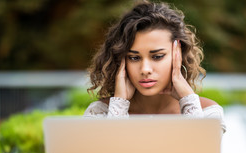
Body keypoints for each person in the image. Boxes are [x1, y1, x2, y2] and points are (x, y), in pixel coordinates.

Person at [84, 0, 226, 133]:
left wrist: (189, 101)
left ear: (178, 55)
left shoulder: (208, 114)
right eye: (134, 57)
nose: (145, 69)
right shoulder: (100, 113)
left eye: (157, 57)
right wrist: (119, 106)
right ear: (121, 61)